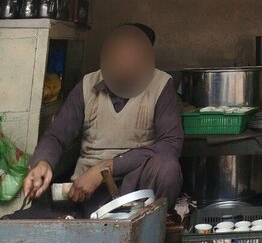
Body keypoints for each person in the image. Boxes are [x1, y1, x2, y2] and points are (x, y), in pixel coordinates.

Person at [22, 23, 183, 211]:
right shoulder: (87, 86)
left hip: (137, 187)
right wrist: (43, 162)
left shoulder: (161, 85)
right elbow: (57, 135)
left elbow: (170, 145)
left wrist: (106, 168)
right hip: (89, 192)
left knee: (167, 167)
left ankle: (151, 230)